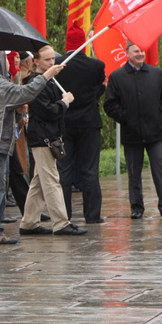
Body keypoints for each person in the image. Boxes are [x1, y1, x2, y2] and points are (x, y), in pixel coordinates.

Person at [0, 51, 63, 244]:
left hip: (1, 141)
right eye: (7, 61)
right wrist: (46, 76)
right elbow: (24, 93)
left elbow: (12, 104)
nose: (12, 64)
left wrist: (17, 110)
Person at [18, 44, 86, 236]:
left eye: (53, 59)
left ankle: (29, 222)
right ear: (36, 62)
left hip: (49, 135)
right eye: (47, 60)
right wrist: (65, 102)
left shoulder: (50, 81)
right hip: (42, 137)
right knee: (51, 181)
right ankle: (61, 223)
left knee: (39, 181)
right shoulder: (35, 82)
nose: (52, 63)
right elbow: (47, 111)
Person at [104, 42, 162, 219]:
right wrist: (126, 118)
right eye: (136, 51)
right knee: (134, 172)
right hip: (131, 133)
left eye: (142, 51)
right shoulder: (117, 77)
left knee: (159, 168)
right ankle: (136, 207)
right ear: (127, 53)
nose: (140, 53)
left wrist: (159, 115)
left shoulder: (156, 73)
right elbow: (110, 104)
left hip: (155, 132)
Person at [54, 25, 106, 223]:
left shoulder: (57, 66)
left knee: (64, 171)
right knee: (90, 170)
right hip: (89, 123)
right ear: (83, 43)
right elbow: (100, 87)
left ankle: (64, 215)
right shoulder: (95, 66)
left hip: (64, 123)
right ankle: (92, 215)